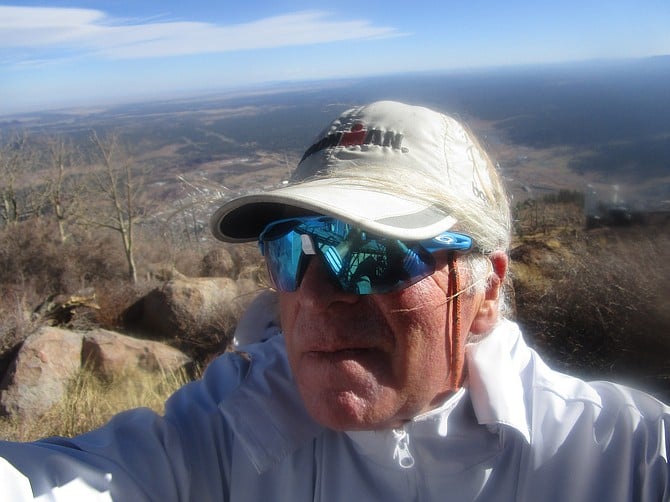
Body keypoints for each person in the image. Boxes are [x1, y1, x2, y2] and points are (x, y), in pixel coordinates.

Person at [0, 101, 668, 501]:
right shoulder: (228, 429)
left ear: (485, 288)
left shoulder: (622, 458)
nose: (315, 294)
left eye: (372, 253)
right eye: (291, 250)